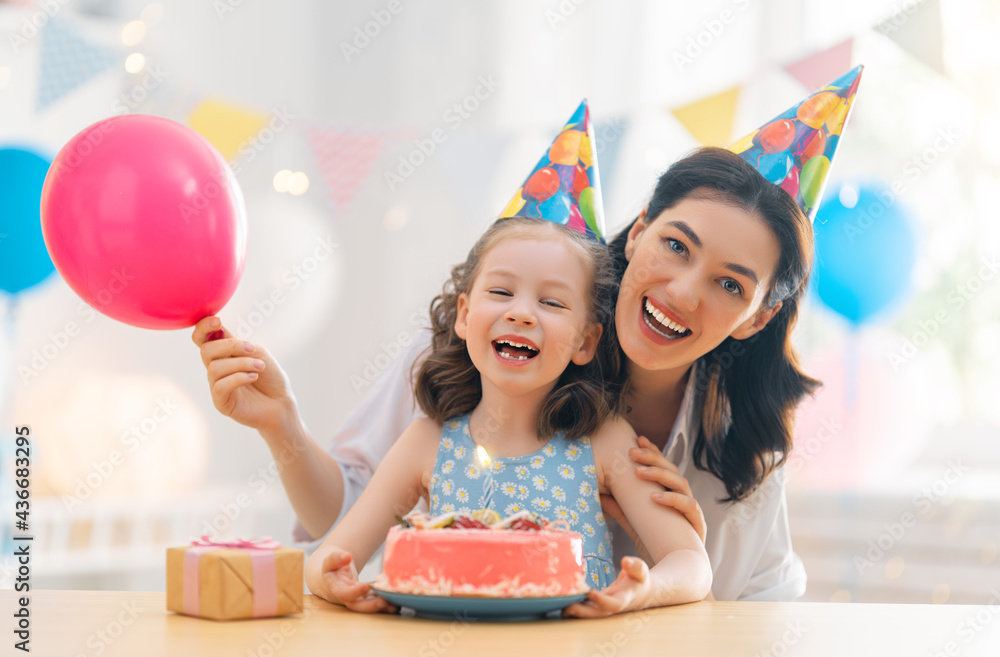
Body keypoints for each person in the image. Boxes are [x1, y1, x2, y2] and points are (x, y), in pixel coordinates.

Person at [192, 69, 862, 601]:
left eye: (730, 285)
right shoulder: (462, 371)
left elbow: (752, 617)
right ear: (639, 228)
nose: (684, 291)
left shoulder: (740, 453)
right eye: (676, 246)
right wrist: (282, 426)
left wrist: (675, 551)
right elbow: (343, 524)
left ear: (759, 316)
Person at [301, 215, 712, 615]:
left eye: (551, 302)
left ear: (585, 341)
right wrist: (333, 581)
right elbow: (328, 560)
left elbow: (690, 563)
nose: (522, 313)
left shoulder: (604, 441)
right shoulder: (426, 442)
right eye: (501, 292)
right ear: (464, 315)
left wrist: (644, 590)